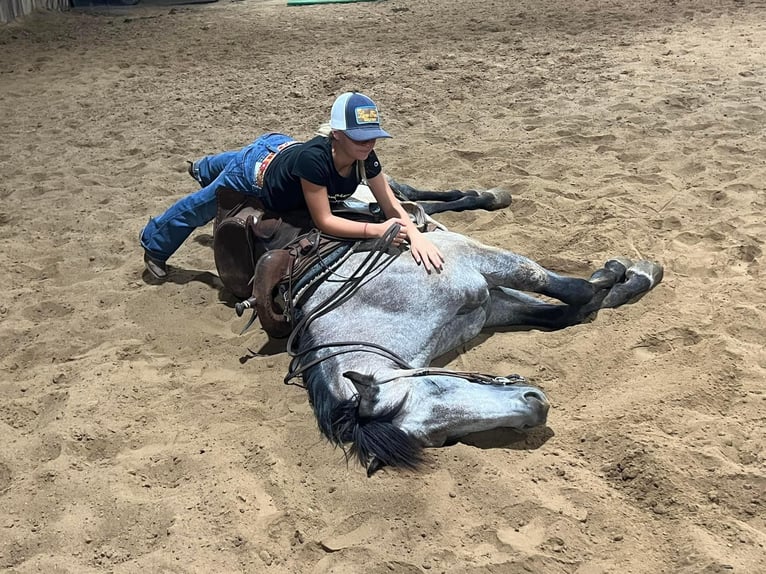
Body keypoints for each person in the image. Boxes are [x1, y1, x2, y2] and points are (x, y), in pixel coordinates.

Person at [140, 91, 445, 280]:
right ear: (337, 134)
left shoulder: (364, 156)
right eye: (359, 137)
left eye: (372, 135)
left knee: (241, 156)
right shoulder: (315, 161)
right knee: (204, 205)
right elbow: (324, 220)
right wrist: (377, 229)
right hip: (255, 173)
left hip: (282, 149)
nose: (369, 143)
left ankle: (204, 166)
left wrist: (416, 235)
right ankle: (154, 244)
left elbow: (391, 204)